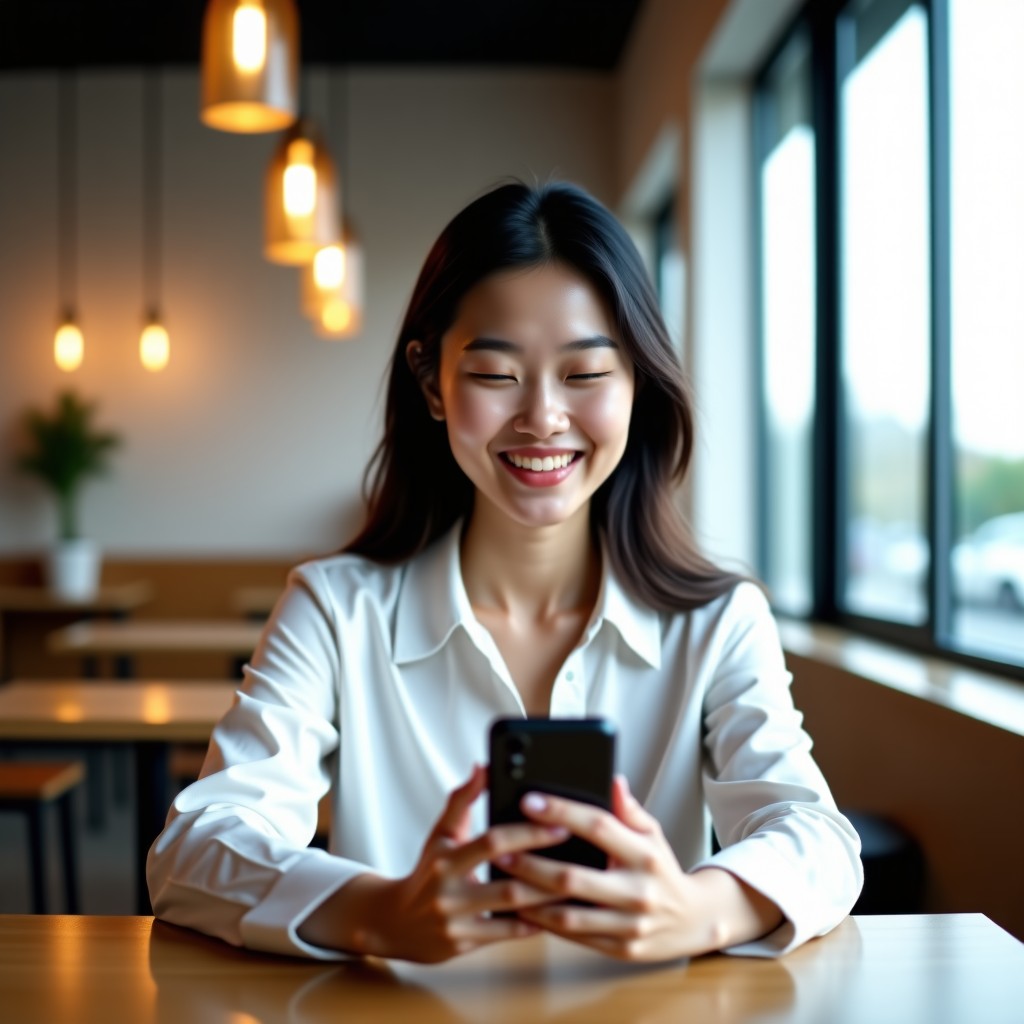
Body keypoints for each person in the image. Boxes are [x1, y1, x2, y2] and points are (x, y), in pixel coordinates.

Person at [147, 180, 862, 963]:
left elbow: (819, 839)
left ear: (638, 387)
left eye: (586, 374)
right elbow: (196, 849)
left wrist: (698, 910)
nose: (544, 417)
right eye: (495, 374)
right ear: (431, 383)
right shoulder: (333, 609)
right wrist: (379, 912)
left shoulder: (719, 621)